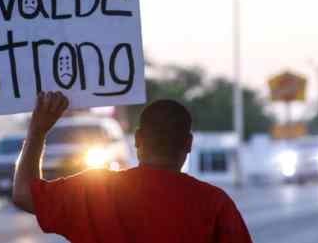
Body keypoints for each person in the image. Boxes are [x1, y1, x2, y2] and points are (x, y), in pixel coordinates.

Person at [13, 91, 252, 243]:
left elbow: (24, 194)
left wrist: (38, 131)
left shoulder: (94, 192)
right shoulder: (214, 203)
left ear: (137, 139)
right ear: (188, 144)